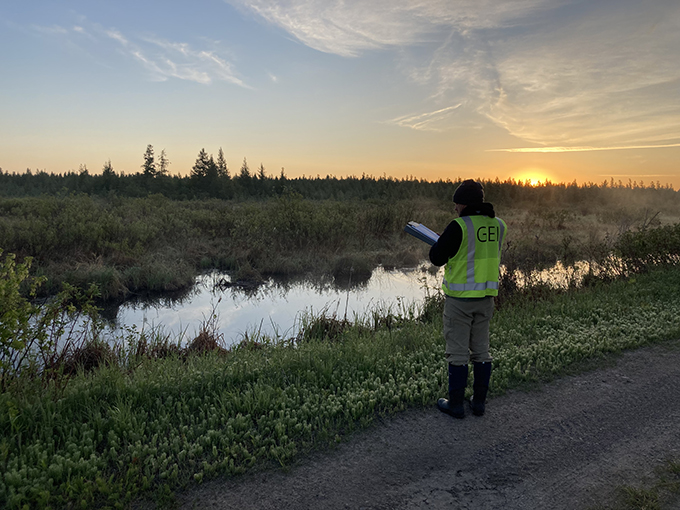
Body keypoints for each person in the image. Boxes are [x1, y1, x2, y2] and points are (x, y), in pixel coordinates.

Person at [428, 179, 507, 419]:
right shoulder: (499, 225)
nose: (455, 208)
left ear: (464, 204)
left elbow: (436, 258)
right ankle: (479, 403)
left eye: (457, 203)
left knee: (457, 352)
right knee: (482, 350)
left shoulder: (459, 226)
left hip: (460, 299)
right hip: (486, 297)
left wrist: (444, 240)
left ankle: (455, 405)